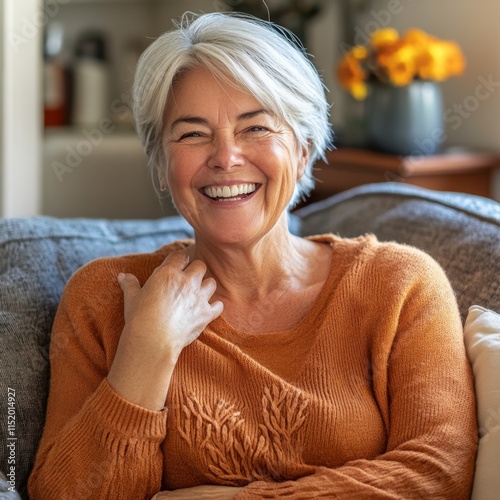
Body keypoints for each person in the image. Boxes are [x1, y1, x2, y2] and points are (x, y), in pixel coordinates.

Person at [29, 11, 477, 500]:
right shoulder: (103, 298)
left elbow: (439, 475)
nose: (225, 157)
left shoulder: (401, 286)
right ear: (161, 164)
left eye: (256, 128)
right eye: (192, 133)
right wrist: (145, 353)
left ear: (304, 150)